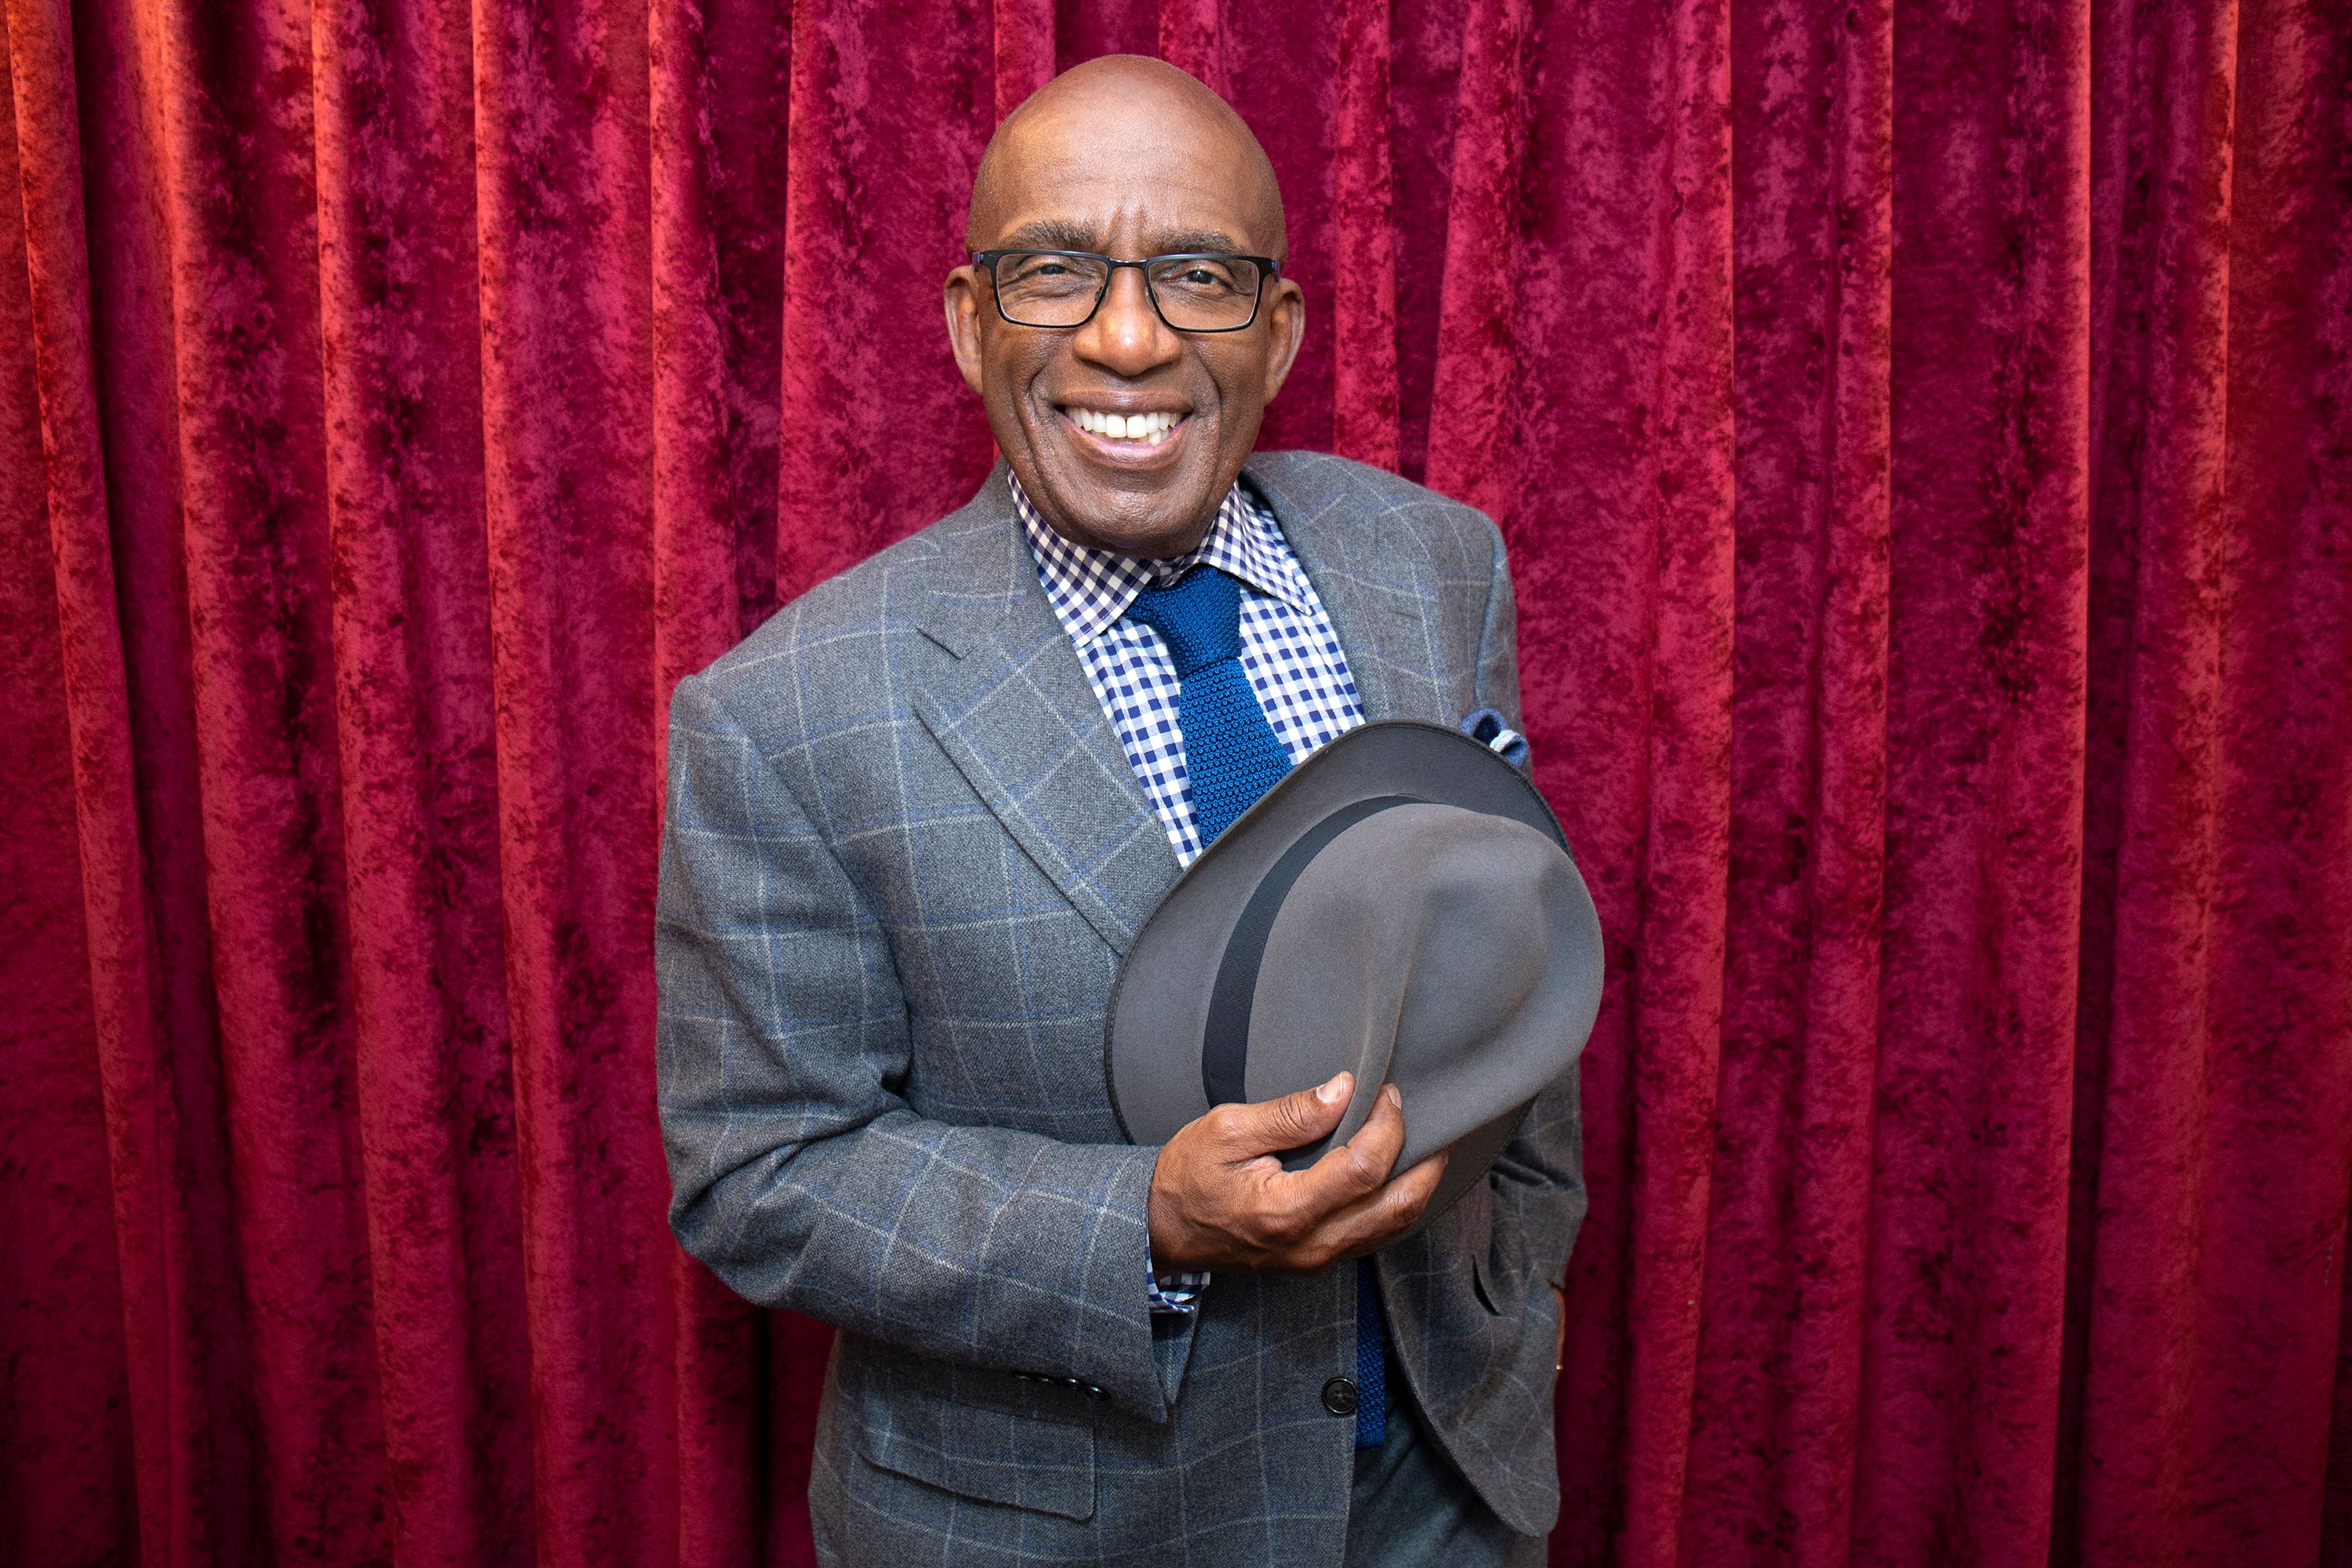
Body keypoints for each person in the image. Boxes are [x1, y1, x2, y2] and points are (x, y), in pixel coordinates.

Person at [656, 53, 1581, 1567]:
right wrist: (1142, 1222)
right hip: (1065, 1528)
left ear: (1275, 332)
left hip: (1443, 1481)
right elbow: (759, 1171)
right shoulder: (783, 715)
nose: (1131, 338)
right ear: (971, 323)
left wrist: (1518, 1265)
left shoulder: (1435, 564)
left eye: (1200, 276)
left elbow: (1505, 938)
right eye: (1056, 272)